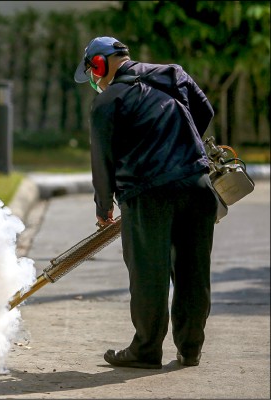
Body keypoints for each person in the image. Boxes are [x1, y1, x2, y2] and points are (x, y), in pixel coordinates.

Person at [74, 36, 218, 369]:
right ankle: (191, 348)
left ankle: (147, 349)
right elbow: (205, 110)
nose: (94, 80)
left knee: (148, 275)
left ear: (99, 63)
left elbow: (102, 159)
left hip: (147, 194)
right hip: (196, 186)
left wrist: (103, 206)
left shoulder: (107, 101)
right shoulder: (174, 75)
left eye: (92, 72)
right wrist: (179, 141)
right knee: (193, 272)